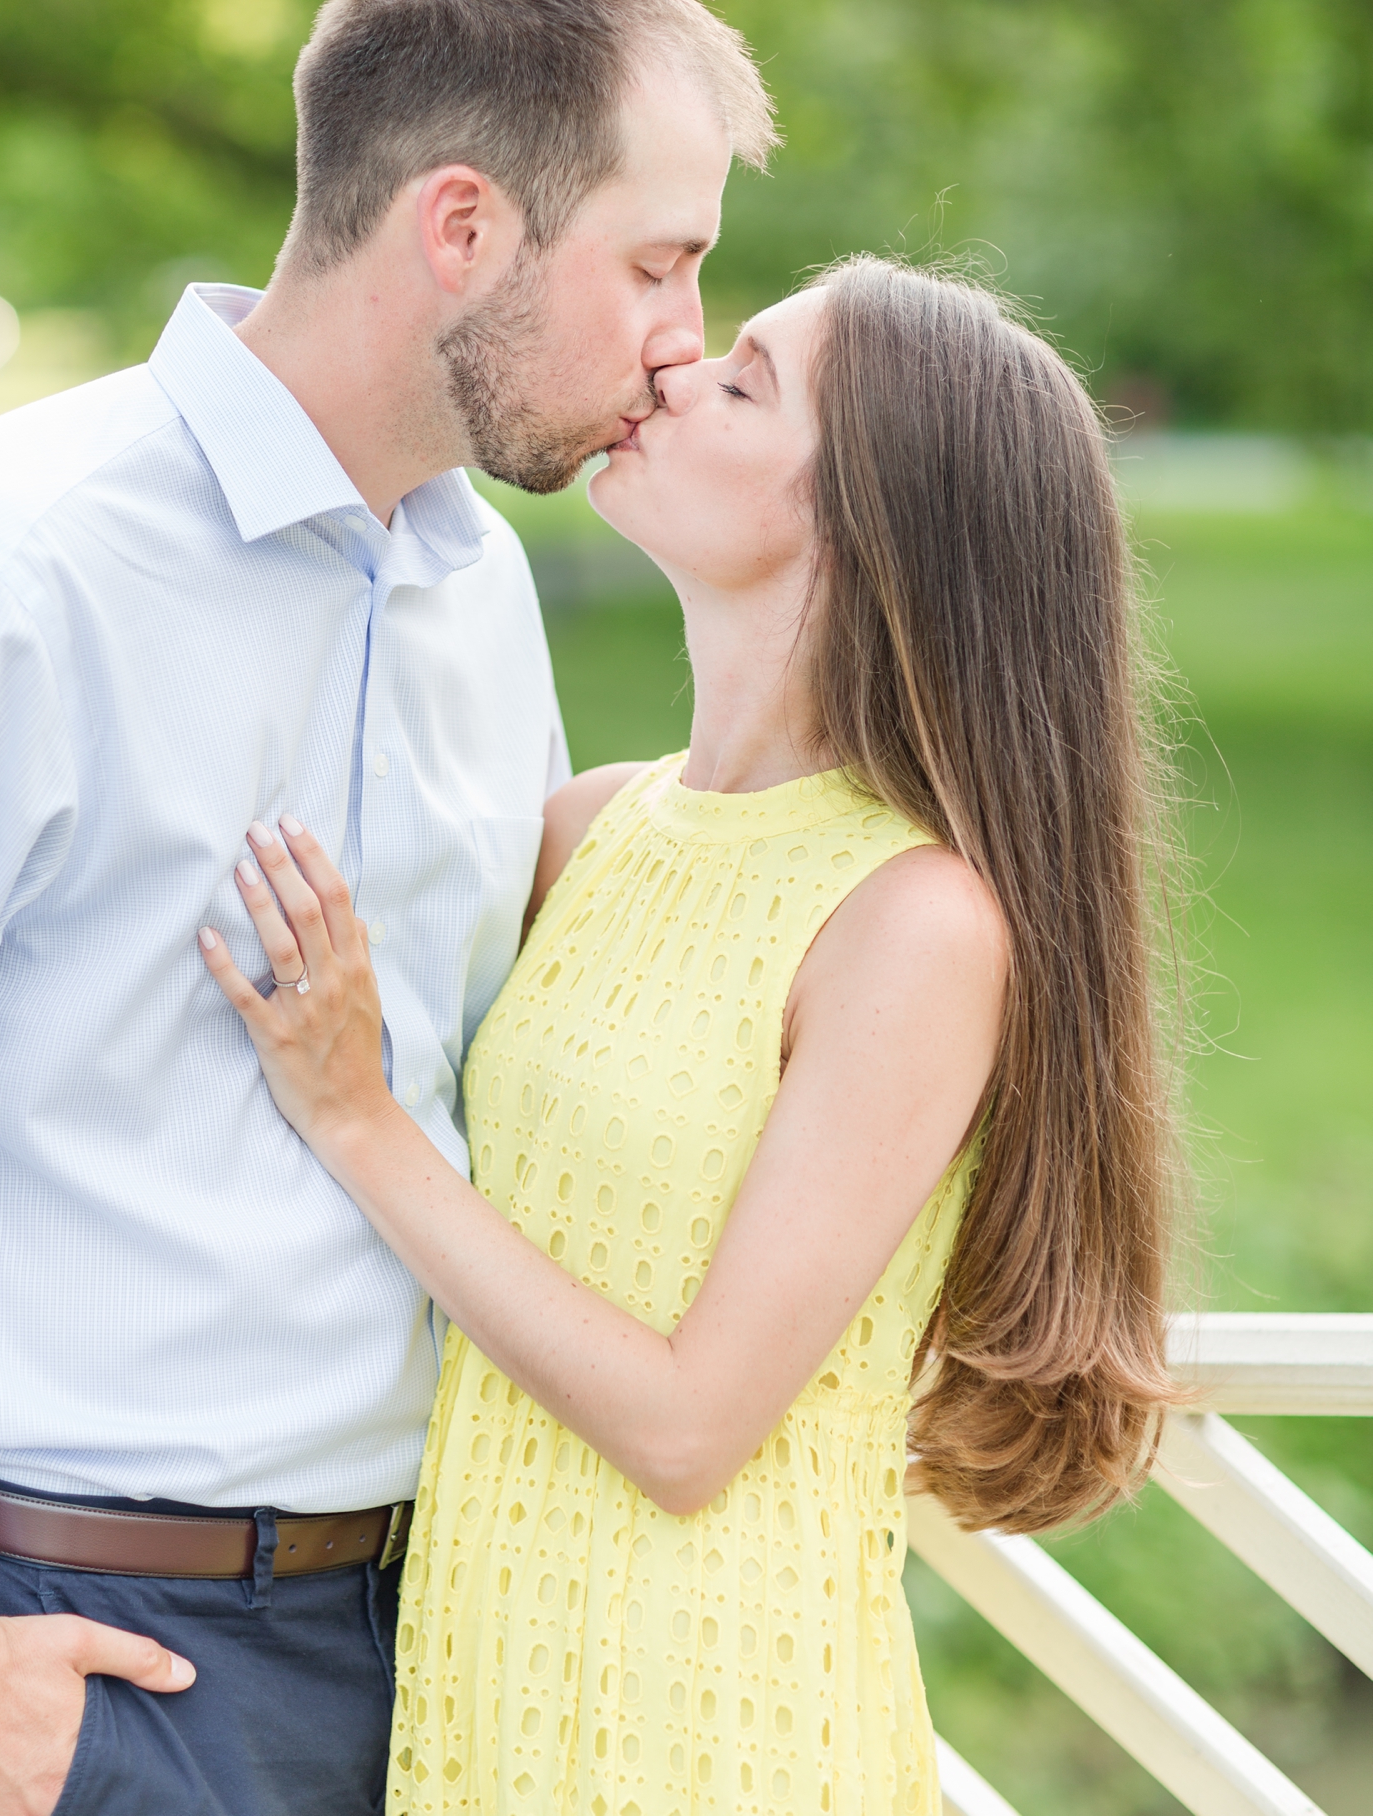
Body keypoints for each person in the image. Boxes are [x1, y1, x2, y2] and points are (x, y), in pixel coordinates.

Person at [0, 0, 775, 1816]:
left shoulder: (483, 599)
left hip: (428, 1651)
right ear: (462, 227)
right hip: (62, 1660)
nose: (686, 341)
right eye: (657, 263)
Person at [204, 256, 1185, 1815]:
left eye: (745, 378)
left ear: (868, 517)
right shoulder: (588, 829)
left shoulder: (910, 921)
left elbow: (686, 1425)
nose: (666, 370)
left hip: (705, 1726)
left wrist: (359, 1120)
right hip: (479, 1689)